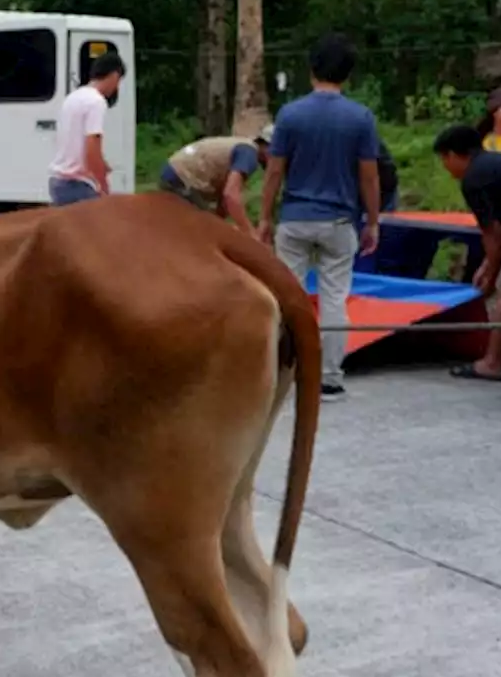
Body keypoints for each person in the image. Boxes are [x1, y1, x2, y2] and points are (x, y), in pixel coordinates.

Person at [256, 33, 382, 402]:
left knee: (287, 298)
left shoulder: (291, 114)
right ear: (347, 75)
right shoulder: (360, 118)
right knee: (334, 298)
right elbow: (369, 175)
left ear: (311, 69)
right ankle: (329, 378)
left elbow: (275, 171)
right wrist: (373, 221)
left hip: (295, 218)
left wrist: (264, 217)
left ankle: (283, 371)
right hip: (340, 221)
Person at [432, 124, 501, 382]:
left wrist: (491, 275)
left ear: (453, 155)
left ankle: (492, 362)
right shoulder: (496, 165)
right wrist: (488, 264)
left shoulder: (474, 178)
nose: (446, 168)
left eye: (444, 160)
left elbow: (494, 233)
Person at [157, 125, 273, 234]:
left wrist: (220, 223)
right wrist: (250, 232)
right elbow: (231, 196)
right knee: (202, 231)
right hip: (182, 177)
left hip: (175, 172)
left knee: (210, 227)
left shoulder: (243, 147)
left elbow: (224, 197)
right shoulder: (249, 154)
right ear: (267, 146)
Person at [47, 52, 127, 207]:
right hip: (77, 185)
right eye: (118, 81)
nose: (116, 87)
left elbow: (71, 142)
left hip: (57, 181)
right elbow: (91, 148)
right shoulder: (96, 102)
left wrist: (102, 164)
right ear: (114, 75)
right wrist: (103, 184)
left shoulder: (73, 98)